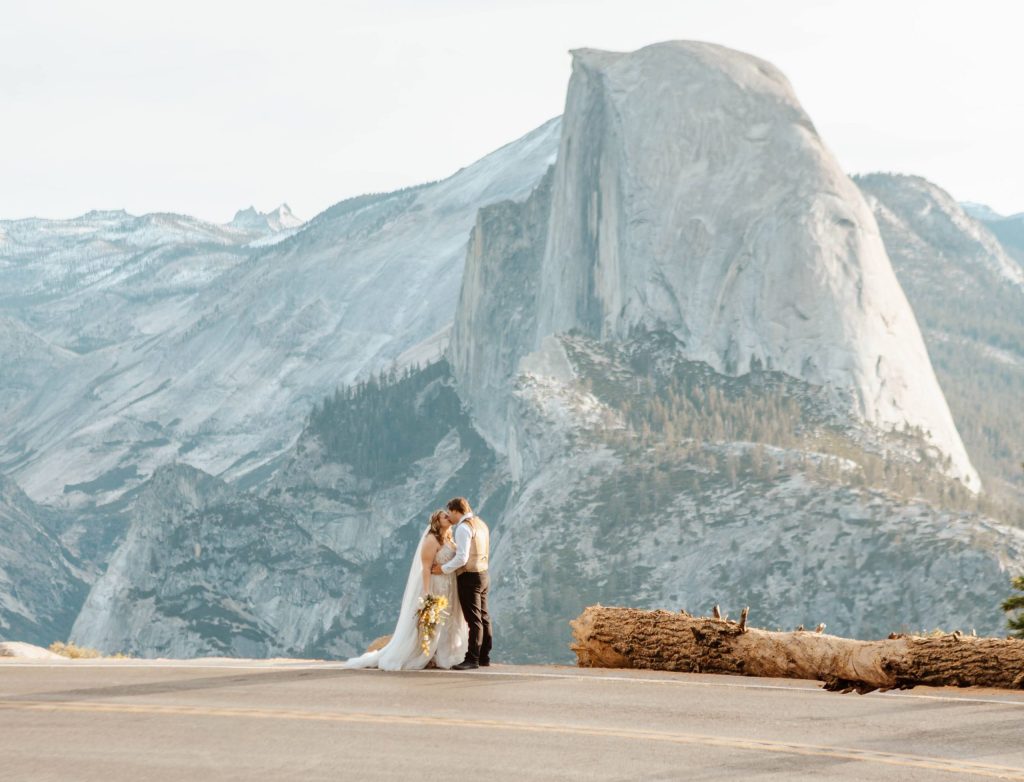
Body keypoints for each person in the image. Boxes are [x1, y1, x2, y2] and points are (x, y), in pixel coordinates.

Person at [342, 509, 467, 670]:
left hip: (449, 585)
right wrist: (427, 591)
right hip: (436, 584)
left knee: (447, 620)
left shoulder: (449, 538)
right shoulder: (431, 540)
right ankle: (425, 653)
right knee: (433, 621)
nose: (449, 518)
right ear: (437, 521)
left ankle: (441, 653)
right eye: (445, 516)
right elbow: (426, 567)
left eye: (449, 516)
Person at [432, 497, 492, 670]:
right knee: (484, 617)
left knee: (473, 619)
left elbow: (462, 557)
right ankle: (484, 656)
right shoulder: (480, 524)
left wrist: (443, 569)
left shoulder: (464, 528)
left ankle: (472, 658)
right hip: (484, 573)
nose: (450, 516)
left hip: (469, 576)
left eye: (450, 512)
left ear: (457, 511)